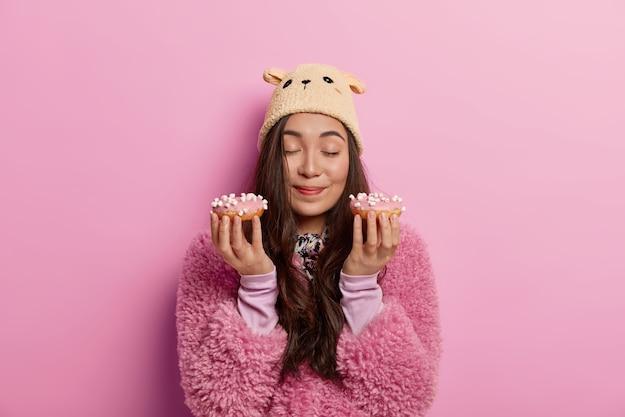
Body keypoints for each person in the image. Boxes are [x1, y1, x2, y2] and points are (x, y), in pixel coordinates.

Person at [176, 63, 442, 417]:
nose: (311, 168)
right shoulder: (218, 251)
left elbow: (405, 401)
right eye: (290, 150)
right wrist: (255, 284)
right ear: (271, 158)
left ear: (350, 162)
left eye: (330, 151)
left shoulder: (396, 247)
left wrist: (362, 284)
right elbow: (219, 406)